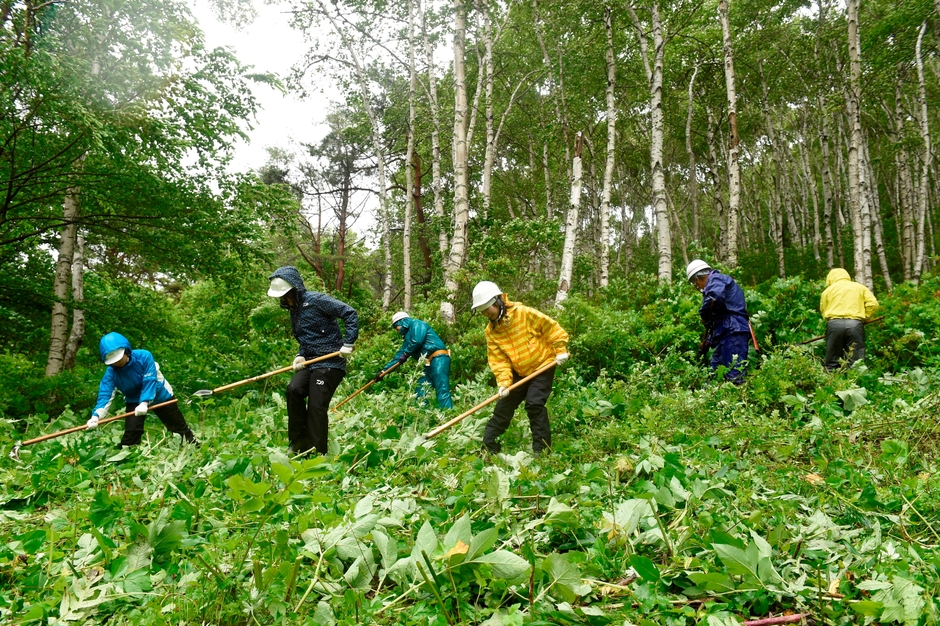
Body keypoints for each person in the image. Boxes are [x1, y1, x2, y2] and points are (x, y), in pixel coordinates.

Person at [268, 266, 358, 455]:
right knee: (294, 390)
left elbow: (349, 313)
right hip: (310, 362)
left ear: (295, 288)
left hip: (331, 362)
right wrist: (299, 355)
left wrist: (348, 343)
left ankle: (318, 452)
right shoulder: (295, 312)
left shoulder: (317, 300)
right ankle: (298, 442)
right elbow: (307, 338)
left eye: (286, 294)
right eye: (281, 297)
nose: (284, 299)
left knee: (316, 405)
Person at [472, 281, 569, 456]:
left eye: (488, 309)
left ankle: (542, 450)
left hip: (542, 365)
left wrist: (560, 349)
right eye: (483, 312)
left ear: (498, 301)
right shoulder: (491, 332)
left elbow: (551, 327)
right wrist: (503, 383)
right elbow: (498, 359)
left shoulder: (524, 313)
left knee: (534, 404)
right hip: (520, 371)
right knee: (503, 407)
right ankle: (489, 449)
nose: (487, 314)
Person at [87, 332, 198, 448]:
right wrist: (96, 417)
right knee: (132, 432)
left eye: (118, 358)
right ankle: (127, 456)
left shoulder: (144, 356)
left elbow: (149, 380)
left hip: (160, 395)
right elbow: (105, 395)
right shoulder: (111, 373)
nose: (116, 362)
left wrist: (144, 402)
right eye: (113, 361)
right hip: (134, 399)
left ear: (126, 350)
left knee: (177, 426)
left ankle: (193, 447)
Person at [687, 259, 751, 384]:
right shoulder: (718, 283)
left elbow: (714, 298)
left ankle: (740, 400)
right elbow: (718, 318)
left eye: (696, 284)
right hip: (727, 332)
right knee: (714, 373)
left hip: (733, 331)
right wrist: (708, 342)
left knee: (734, 374)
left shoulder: (716, 280)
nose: (698, 287)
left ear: (697, 279)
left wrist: (704, 315)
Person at [377, 312, 453, 409]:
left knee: (442, 388)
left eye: (396, 326)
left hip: (439, 358)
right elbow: (399, 356)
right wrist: (383, 372)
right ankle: (421, 417)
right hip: (427, 364)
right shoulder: (407, 340)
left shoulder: (417, 324)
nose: (397, 329)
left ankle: (448, 414)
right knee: (420, 389)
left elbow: (417, 340)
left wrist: (406, 354)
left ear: (402, 322)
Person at [820, 268, 879, 371]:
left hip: (834, 325)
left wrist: (832, 322)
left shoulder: (827, 291)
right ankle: (856, 383)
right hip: (855, 325)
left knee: (832, 359)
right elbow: (873, 304)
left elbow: (824, 310)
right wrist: (865, 317)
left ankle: (830, 383)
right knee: (856, 360)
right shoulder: (860, 287)